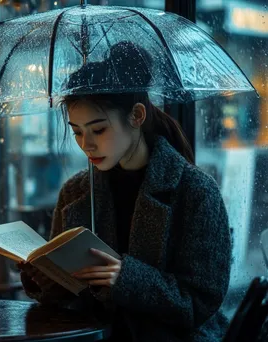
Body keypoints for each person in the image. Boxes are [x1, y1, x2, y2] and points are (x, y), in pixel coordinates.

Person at [18, 41, 232, 342]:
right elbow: (68, 299)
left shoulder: (195, 192)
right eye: (77, 131)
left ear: (137, 116)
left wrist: (127, 279)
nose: (86, 145)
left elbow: (201, 303)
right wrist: (45, 278)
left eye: (99, 130)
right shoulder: (76, 192)